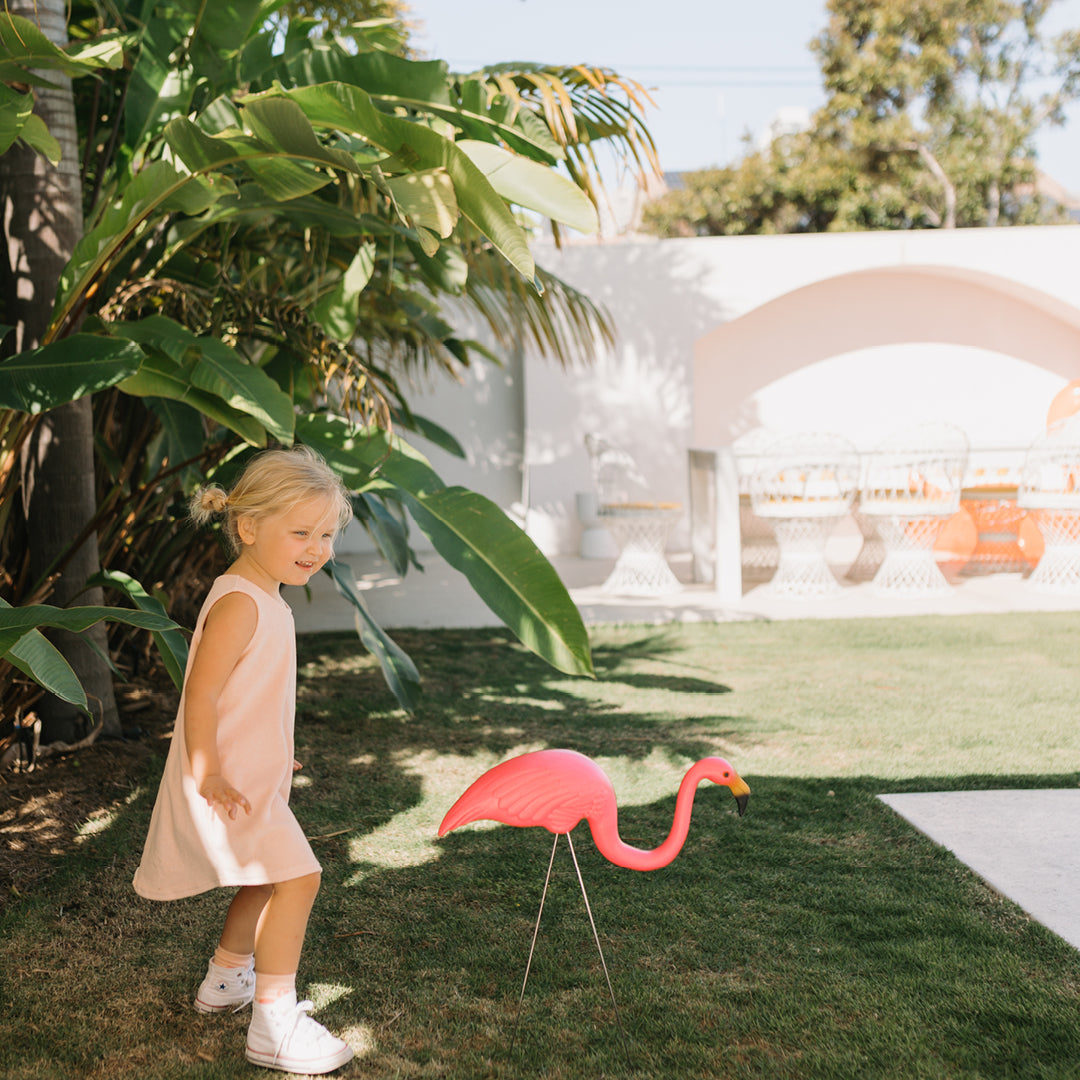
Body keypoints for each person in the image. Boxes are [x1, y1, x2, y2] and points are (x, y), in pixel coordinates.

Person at [133, 445, 355, 1074]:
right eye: (301, 531)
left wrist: (275, 753)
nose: (316, 547)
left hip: (251, 776)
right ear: (249, 527)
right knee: (299, 878)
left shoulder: (268, 596)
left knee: (267, 877)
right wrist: (207, 771)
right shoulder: (241, 602)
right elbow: (198, 693)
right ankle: (273, 1024)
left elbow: (248, 697)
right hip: (222, 782)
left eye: (326, 534)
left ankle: (226, 980)